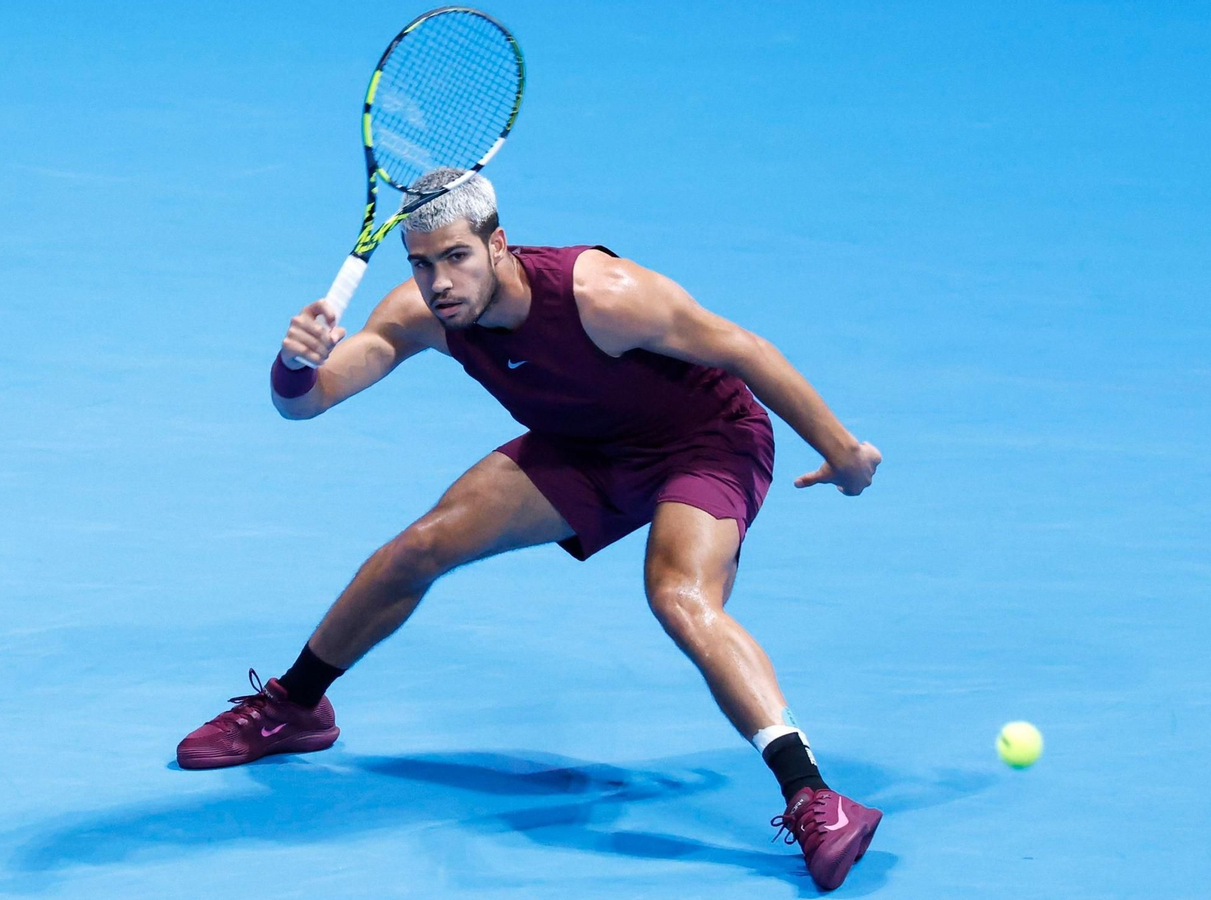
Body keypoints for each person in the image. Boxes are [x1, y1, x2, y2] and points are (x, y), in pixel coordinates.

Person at [177, 168, 884, 891]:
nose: (439, 282)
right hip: (585, 446)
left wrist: (842, 451)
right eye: (421, 263)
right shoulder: (422, 313)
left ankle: (814, 796)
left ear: (498, 245)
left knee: (679, 594)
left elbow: (745, 349)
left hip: (704, 441)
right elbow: (307, 403)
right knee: (422, 545)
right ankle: (294, 707)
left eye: (456, 257)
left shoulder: (603, 295)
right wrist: (295, 363)